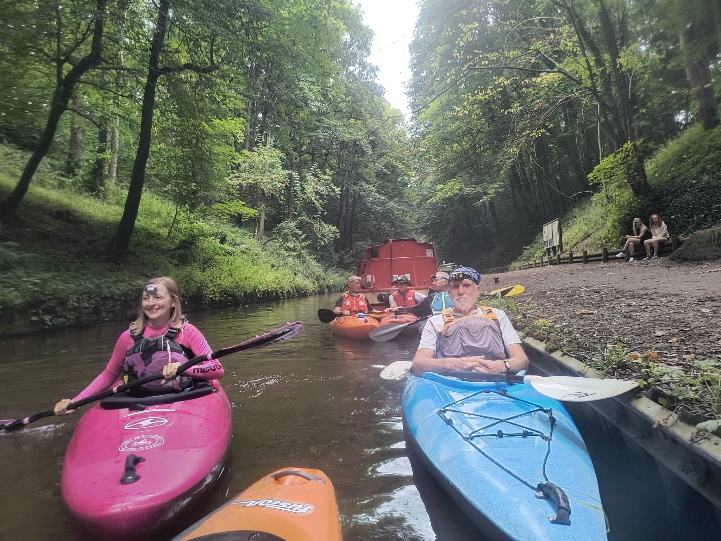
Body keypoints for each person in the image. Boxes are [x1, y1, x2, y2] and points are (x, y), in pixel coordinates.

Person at [54, 277, 223, 415]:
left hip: (183, 396)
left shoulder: (187, 332)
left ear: (173, 302)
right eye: (146, 298)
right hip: (137, 400)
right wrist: (77, 400)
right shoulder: (128, 337)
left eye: (158, 297)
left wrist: (184, 369)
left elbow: (217, 369)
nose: (151, 303)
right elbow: (108, 376)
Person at [412, 266, 529, 376]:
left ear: (477, 290)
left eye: (467, 285)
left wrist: (503, 365)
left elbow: (521, 359)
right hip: (450, 382)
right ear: (449, 292)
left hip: (497, 380)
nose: (460, 291)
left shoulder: (498, 315)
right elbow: (418, 364)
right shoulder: (435, 321)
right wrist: (452, 364)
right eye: (455, 286)